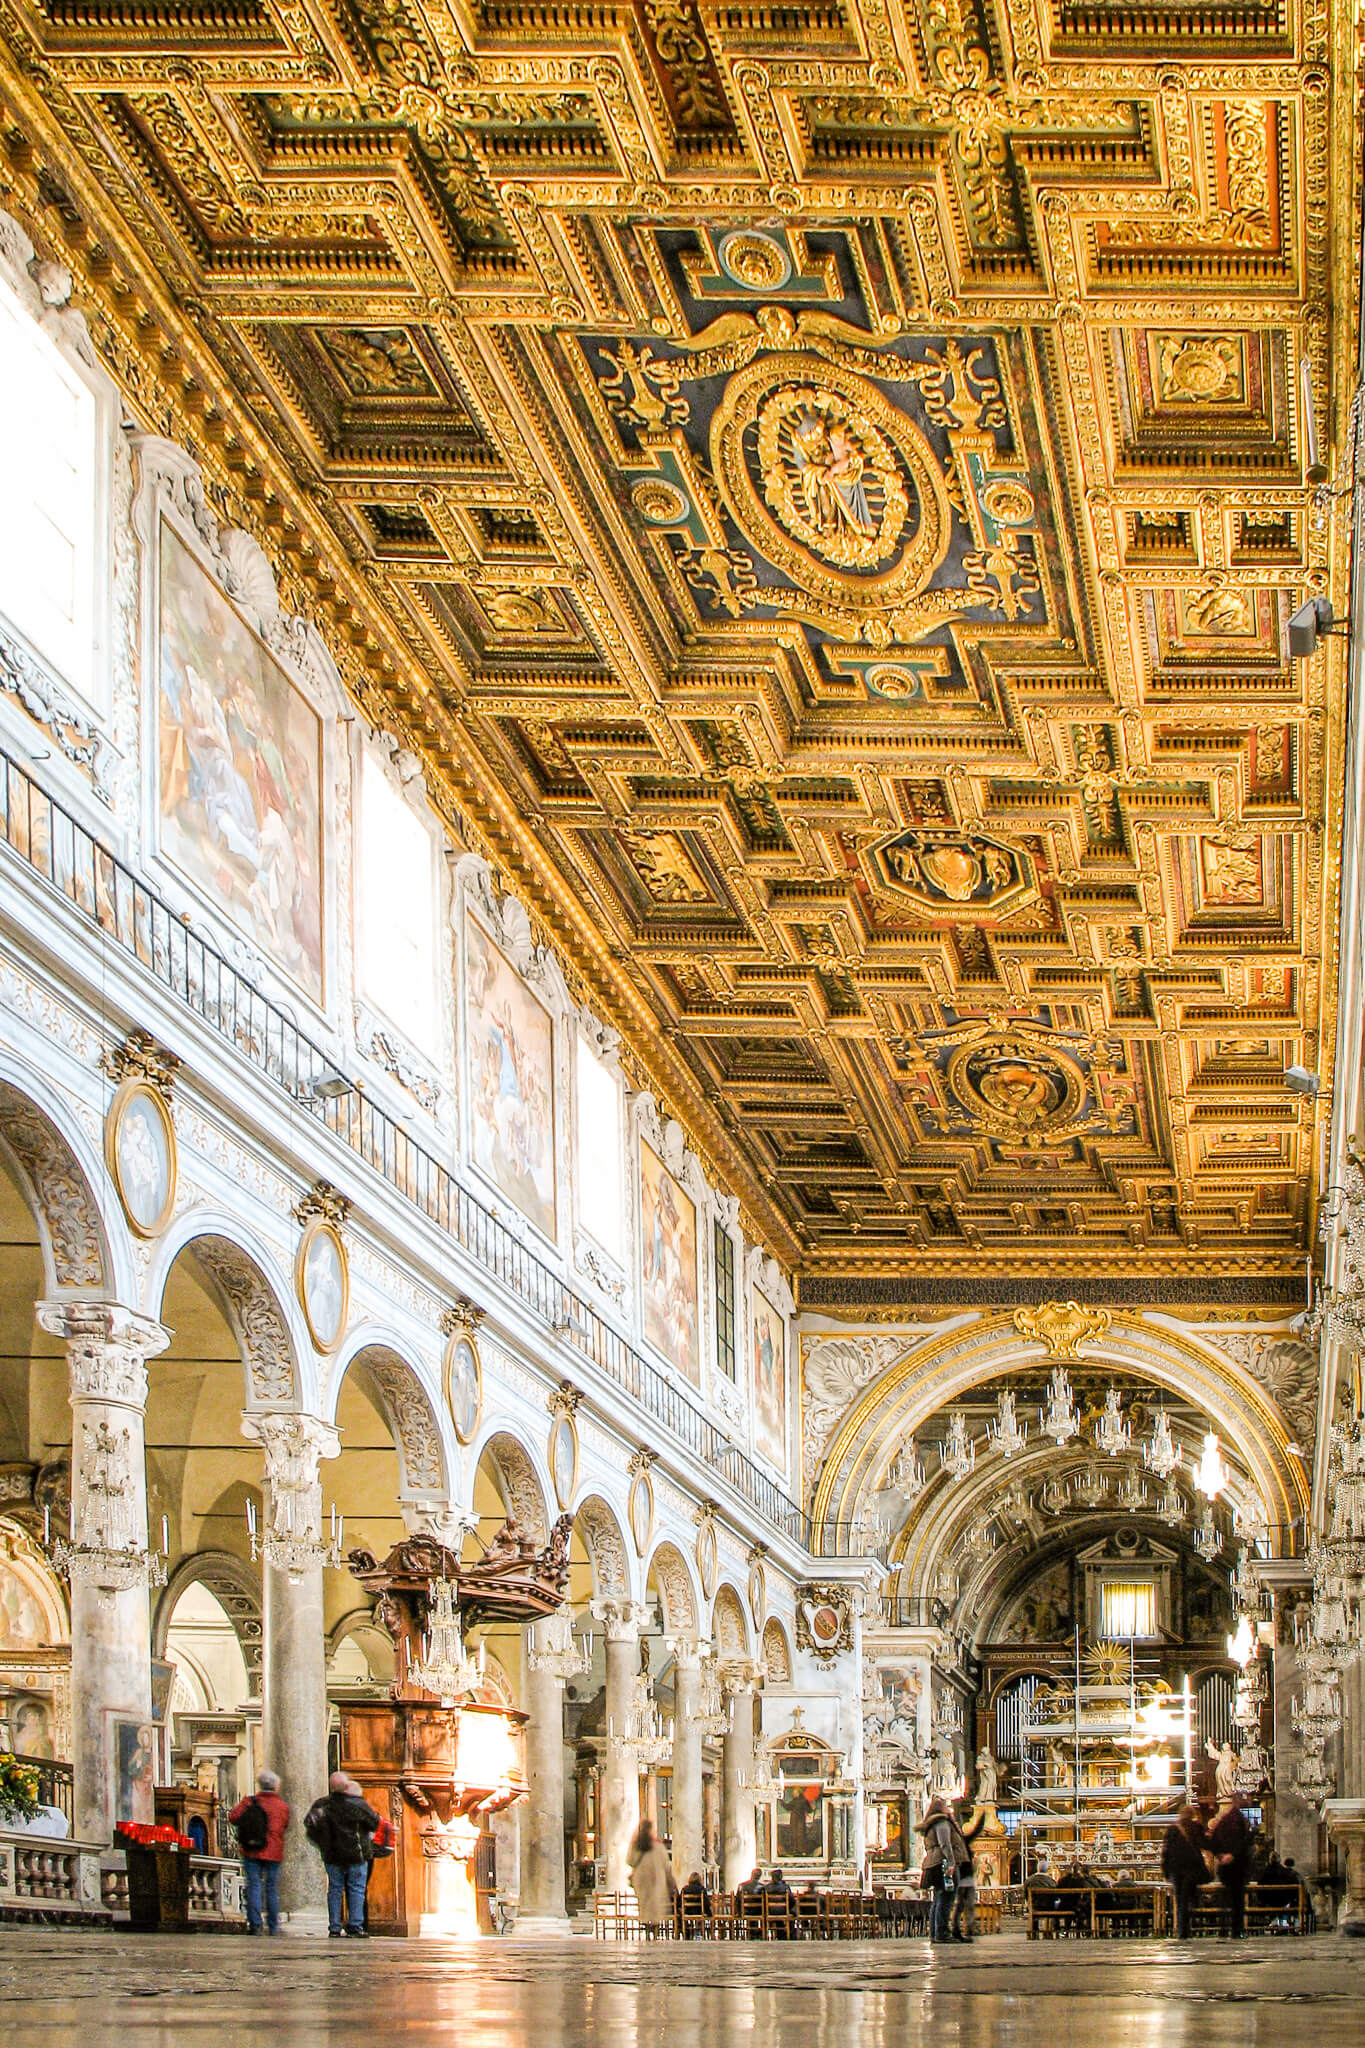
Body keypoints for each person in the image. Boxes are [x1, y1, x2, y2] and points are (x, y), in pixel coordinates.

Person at [305, 1771, 380, 1937]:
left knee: (335, 1889)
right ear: (346, 1786)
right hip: (356, 1853)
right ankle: (355, 1925)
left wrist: (323, 1844)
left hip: (332, 1855)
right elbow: (374, 1822)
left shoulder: (322, 1805)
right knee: (356, 1889)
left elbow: (310, 1824)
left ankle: (334, 1927)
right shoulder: (357, 1804)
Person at [229, 1768, 291, 1936]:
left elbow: (233, 1817)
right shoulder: (282, 1806)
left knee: (254, 1886)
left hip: (251, 1849)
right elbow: (284, 1825)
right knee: (271, 1888)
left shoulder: (249, 1802)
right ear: (276, 1787)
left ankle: (255, 1924)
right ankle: (273, 1925)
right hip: (273, 1850)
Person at [1207, 1796, 1253, 1938]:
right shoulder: (1238, 1821)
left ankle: (1224, 1928)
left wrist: (1219, 1855)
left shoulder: (1222, 1821)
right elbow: (1242, 1843)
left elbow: (1212, 1841)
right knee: (1237, 1900)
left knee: (1226, 1899)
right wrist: (1232, 1854)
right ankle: (1236, 1930)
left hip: (1225, 1867)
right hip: (1237, 1866)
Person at [1162, 1805, 1208, 1939]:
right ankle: (1194, 1923)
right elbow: (1204, 1843)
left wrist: (1166, 1871)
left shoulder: (1172, 1830)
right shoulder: (1195, 1828)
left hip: (1176, 1871)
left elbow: (1166, 1852)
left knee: (1180, 1900)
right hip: (1192, 1870)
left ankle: (1183, 1930)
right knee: (1190, 1898)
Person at [917, 1796, 957, 1943]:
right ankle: (942, 1932)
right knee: (945, 1898)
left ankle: (935, 1933)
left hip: (930, 1863)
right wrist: (951, 1862)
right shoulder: (940, 1823)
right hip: (940, 1862)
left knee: (938, 1899)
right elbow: (945, 1844)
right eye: (946, 1807)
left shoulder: (929, 1824)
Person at [627, 1818, 678, 1932]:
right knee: (655, 1907)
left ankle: (647, 1927)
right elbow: (666, 1866)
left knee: (645, 1906)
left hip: (641, 1881)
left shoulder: (636, 1847)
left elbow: (630, 1861)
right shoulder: (658, 1847)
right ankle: (654, 1929)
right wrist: (671, 1882)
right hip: (656, 1880)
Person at [949, 1801, 977, 1943]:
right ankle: (956, 1928)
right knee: (960, 1905)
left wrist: (981, 1818)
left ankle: (969, 1928)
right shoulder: (954, 1843)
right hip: (960, 1877)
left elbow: (976, 1831)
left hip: (967, 1878)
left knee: (969, 1905)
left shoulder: (964, 1841)